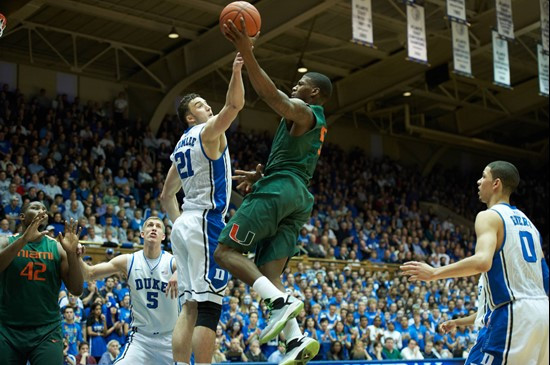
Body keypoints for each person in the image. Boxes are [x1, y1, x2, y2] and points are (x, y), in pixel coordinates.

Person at [214, 17, 333, 364]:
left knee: (225, 252)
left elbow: (273, 97)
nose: (295, 86)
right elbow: (295, 159)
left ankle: (277, 302)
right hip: (296, 194)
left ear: (315, 93)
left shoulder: (306, 112)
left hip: (282, 190)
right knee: (271, 273)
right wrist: (262, 171)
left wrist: (246, 51)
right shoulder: (311, 125)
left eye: (301, 84)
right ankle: (295, 340)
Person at [401, 161, 549, 364]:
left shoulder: (489, 216)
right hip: (543, 313)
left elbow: (482, 262)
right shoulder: (531, 226)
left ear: (496, 183)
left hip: (514, 312)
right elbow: (545, 278)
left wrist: (434, 273)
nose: (479, 182)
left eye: (483, 176)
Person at [159, 52, 245, 365]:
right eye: (200, 106)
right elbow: (234, 106)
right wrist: (237, 71)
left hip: (183, 225)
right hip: (205, 221)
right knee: (209, 306)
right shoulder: (208, 132)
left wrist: (180, 225)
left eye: (207, 103)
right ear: (190, 118)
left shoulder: (181, 145)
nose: (208, 107)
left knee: (189, 306)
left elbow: (166, 195)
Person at [79, 217, 178, 365]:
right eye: (150, 225)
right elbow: (89, 274)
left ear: (163, 237)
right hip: (141, 339)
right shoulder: (129, 260)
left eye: (158, 226)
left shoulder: (172, 261)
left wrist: (180, 272)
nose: (154, 228)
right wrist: (76, 255)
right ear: (142, 233)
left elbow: (194, 267)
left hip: (170, 339)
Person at [0, 202, 83, 365]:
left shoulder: (57, 247)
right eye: (35, 208)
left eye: (44, 209)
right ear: (22, 217)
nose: (41, 211)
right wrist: (24, 240)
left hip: (46, 330)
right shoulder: (5, 241)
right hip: (6, 328)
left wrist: (71, 254)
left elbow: (77, 289)